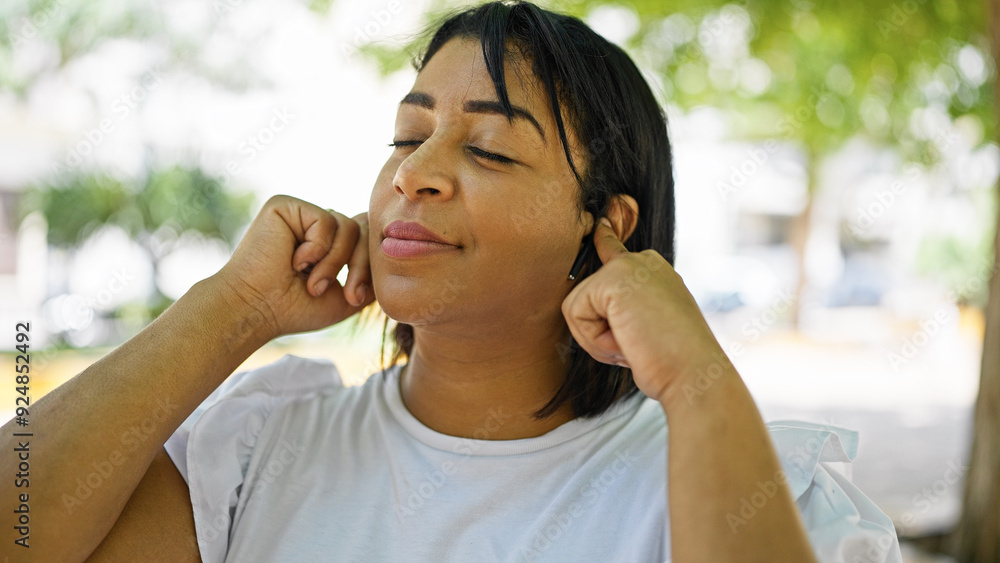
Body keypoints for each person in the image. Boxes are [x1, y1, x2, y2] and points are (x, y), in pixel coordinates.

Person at [1, 2, 902, 561]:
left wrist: (697, 379)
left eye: (489, 148)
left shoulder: (750, 483)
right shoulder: (257, 451)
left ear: (607, 226)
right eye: (407, 136)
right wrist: (230, 310)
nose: (415, 173)